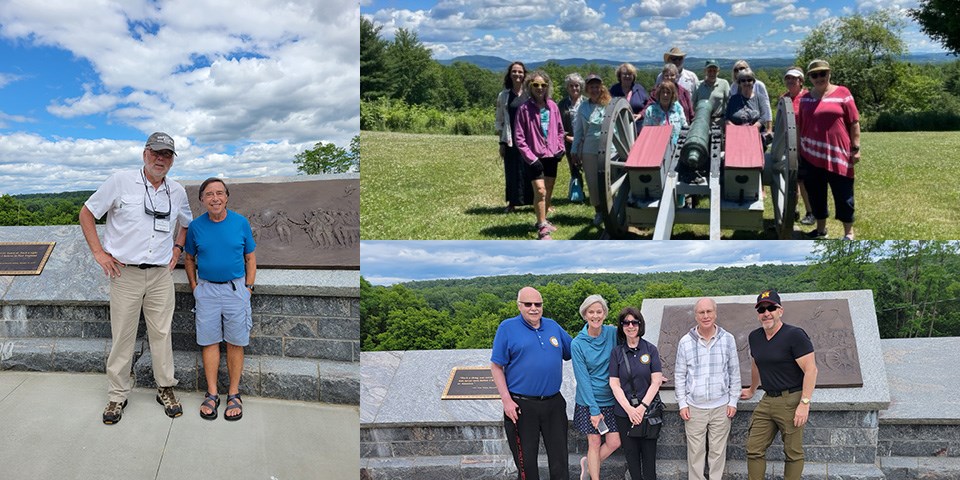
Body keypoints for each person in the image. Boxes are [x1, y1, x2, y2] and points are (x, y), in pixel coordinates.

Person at [79, 131, 192, 425]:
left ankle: (165, 388)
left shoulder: (177, 191)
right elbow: (87, 213)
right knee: (123, 337)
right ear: (144, 153)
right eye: (155, 152)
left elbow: (186, 223)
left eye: (166, 154)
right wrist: (99, 253)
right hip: (125, 273)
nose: (160, 158)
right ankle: (117, 395)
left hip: (159, 275)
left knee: (162, 334)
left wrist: (178, 248)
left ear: (172, 160)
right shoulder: (120, 181)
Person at [183, 178, 257, 421]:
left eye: (219, 193)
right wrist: (195, 287)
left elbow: (250, 257)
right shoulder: (195, 227)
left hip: (235, 290)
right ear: (202, 199)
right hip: (207, 291)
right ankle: (212, 393)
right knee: (209, 341)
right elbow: (190, 259)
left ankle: (234, 393)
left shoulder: (240, 223)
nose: (215, 198)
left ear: (226, 196)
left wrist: (248, 287)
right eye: (209, 194)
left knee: (236, 342)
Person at [491, 287, 573, 480]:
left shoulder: (553, 326)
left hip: (553, 403)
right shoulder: (507, 328)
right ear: (519, 306)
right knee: (526, 463)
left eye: (538, 304)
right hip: (521, 405)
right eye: (528, 304)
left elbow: (575, 350)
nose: (534, 308)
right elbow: (496, 367)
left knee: (560, 459)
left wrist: (599, 332)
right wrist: (506, 401)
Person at [740, 289, 819, 480]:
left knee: (792, 453)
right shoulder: (755, 337)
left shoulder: (795, 335)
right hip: (767, 400)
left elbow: (811, 370)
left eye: (771, 308)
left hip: (791, 400)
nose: (766, 313)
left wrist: (804, 403)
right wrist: (752, 390)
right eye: (761, 309)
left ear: (780, 310)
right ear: (758, 314)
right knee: (754, 448)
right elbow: (756, 364)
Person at [675, 298, 740, 480]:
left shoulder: (728, 339)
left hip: (721, 407)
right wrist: (682, 404)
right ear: (695, 316)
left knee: (717, 454)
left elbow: (734, 372)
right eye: (701, 312)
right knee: (695, 454)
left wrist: (733, 401)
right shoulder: (685, 342)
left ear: (715, 313)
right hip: (694, 408)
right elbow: (680, 375)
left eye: (709, 311)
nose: (705, 316)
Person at [797, 59, 861, 240]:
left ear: (829, 74)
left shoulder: (843, 93)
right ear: (809, 78)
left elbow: (854, 122)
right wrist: (799, 152)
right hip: (811, 154)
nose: (819, 78)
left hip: (838, 153)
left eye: (822, 73)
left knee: (844, 194)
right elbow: (800, 127)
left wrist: (855, 148)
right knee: (816, 194)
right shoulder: (806, 99)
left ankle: (848, 232)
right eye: (814, 75)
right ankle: (821, 230)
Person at [609, 307, 663, 480]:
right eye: (626, 323)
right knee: (632, 459)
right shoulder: (616, 352)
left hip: (648, 413)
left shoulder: (650, 349)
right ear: (622, 326)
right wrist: (630, 410)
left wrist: (641, 408)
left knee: (649, 460)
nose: (630, 326)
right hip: (624, 414)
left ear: (640, 325)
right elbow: (614, 383)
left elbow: (656, 381)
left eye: (634, 322)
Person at [571, 295, 621, 480]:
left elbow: (634, 347)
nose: (595, 316)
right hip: (589, 401)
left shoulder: (613, 334)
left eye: (599, 311)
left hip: (611, 398)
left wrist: (652, 371)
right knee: (594, 441)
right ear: (585, 315)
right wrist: (594, 410)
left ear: (605, 314)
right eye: (591, 312)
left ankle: (588, 464)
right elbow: (583, 380)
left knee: (614, 442)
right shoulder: (577, 344)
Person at [514, 70, 566, 240]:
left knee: (549, 189)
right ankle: (542, 228)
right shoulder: (524, 109)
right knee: (540, 190)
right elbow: (519, 138)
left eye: (543, 85)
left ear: (547, 87)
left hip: (552, 155)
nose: (540, 88)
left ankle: (543, 219)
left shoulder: (553, 106)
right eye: (535, 85)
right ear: (530, 86)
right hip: (534, 157)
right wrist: (531, 158)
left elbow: (559, 130)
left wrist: (560, 147)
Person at [572, 73, 612, 228]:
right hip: (589, 149)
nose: (595, 89)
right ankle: (599, 212)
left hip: (609, 148)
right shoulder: (583, 107)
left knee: (610, 181)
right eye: (591, 87)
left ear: (601, 88)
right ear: (587, 89)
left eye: (597, 86)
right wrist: (575, 150)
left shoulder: (609, 104)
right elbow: (579, 131)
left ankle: (612, 210)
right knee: (593, 182)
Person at [495, 61, 534, 213]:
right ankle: (512, 203)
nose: (517, 74)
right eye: (514, 71)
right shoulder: (503, 95)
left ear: (525, 74)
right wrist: (501, 142)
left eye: (520, 71)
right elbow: (499, 120)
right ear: (509, 74)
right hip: (510, 139)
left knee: (530, 170)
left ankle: (535, 202)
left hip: (529, 139)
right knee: (512, 171)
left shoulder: (530, 94)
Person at [781, 66, 815, 226]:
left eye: (794, 78)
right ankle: (792, 210)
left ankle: (810, 212)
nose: (790, 81)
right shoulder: (784, 98)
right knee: (791, 181)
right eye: (788, 78)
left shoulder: (808, 97)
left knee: (803, 181)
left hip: (804, 144)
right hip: (788, 145)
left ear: (800, 81)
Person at [726, 68, 773, 145]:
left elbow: (763, 116)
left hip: (756, 136)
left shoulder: (760, 98)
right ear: (739, 83)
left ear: (753, 82)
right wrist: (737, 130)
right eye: (743, 80)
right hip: (736, 137)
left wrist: (752, 129)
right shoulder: (733, 99)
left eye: (749, 80)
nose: (746, 82)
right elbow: (727, 119)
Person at [558, 73, 585, 196]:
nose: (574, 88)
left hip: (586, 140)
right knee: (574, 168)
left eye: (577, 85)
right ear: (567, 88)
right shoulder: (562, 104)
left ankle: (593, 192)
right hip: (569, 140)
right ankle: (578, 192)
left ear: (581, 87)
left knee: (589, 167)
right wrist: (565, 136)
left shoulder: (587, 103)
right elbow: (557, 124)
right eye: (571, 86)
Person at [643, 80, 688, 147]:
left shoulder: (678, 108)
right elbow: (646, 132)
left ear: (672, 95)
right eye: (663, 92)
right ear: (659, 94)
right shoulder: (651, 110)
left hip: (677, 147)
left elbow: (684, 127)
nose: (665, 95)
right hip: (657, 146)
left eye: (668, 92)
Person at [609, 63, 650, 133]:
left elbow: (648, 105)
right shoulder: (614, 89)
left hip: (637, 128)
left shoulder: (639, 89)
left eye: (630, 74)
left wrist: (641, 114)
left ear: (633, 76)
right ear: (620, 76)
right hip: (618, 129)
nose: (627, 76)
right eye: (624, 74)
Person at [731, 60, 772, 128]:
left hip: (757, 124)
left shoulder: (759, 85)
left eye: (741, 68)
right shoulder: (734, 86)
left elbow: (766, 107)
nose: (739, 71)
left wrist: (769, 128)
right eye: (736, 70)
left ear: (747, 69)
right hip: (738, 125)